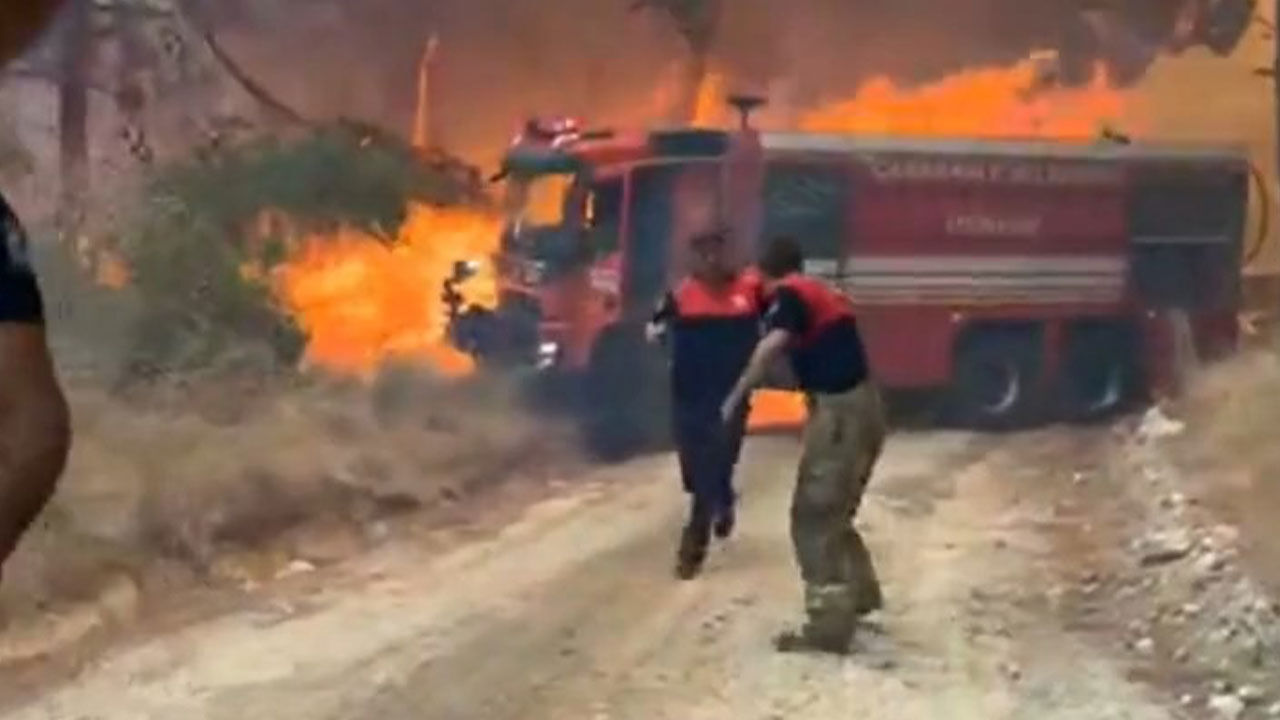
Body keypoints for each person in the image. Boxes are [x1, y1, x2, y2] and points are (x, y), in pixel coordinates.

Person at [721, 236, 886, 654]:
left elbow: (772, 346)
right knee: (837, 508)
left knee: (813, 516)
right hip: (863, 406)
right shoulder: (816, 292)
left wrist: (736, 394)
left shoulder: (791, 294)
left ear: (766, 270)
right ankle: (858, 595)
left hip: (839, 415)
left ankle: (830, 626)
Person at [647, 230, 763, 580]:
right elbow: (655, 326)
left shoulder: (751, 290)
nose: (712, 260)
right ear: (695, 258)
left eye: (718, 252)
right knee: (693, 466)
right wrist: (656, 333)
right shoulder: (682, 295)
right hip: (689, 391)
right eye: (704, 254)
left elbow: (781, 321)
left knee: (717, 457)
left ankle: (694, 543)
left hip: (732, 392)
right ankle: (722, 497)